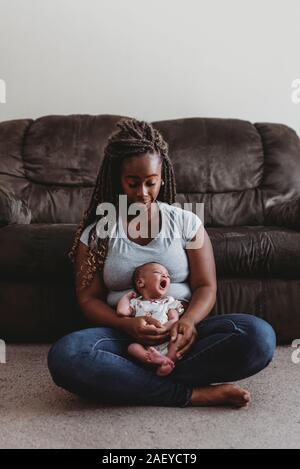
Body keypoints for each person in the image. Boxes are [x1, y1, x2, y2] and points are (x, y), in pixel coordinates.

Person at [47, 118, 276, 408]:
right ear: (117, 178)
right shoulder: (100, 230)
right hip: (124, 342)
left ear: (162, 177)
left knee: (259, 337)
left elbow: (206, 285)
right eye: (132, 183)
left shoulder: (186, 222)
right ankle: (190, 394)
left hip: (181, 338)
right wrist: (126, 323)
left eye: (150, 182)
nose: (142, 192)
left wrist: (189, 322)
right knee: (67, 356)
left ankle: (132, 382)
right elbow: (88, 298)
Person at [116, 262, 186, 376]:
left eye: (168, 276)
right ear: (140, 282)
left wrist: (162, 329)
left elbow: (174, 320)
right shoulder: (136, 302)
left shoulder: (168, 301)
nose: (165, 277)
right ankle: (154, 360)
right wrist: (127, 296)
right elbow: (121, 312)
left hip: (167, 339)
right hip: (144, 343)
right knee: (132, 348)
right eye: (158, 273)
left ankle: (168, 360)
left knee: (180, 337)